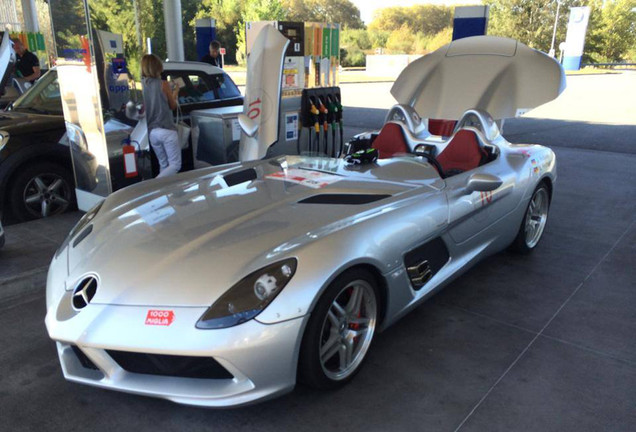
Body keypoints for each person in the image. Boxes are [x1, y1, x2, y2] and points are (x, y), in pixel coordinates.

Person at [141, 54, 181, 178]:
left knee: (164, 164)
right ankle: (156, 185)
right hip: (166, 130)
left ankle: (165, 194)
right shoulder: (163, 84)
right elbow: (172, 106)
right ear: (158, 67)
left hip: (152, 132)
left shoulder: (142, 85)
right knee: (175, 165)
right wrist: (175, 92)